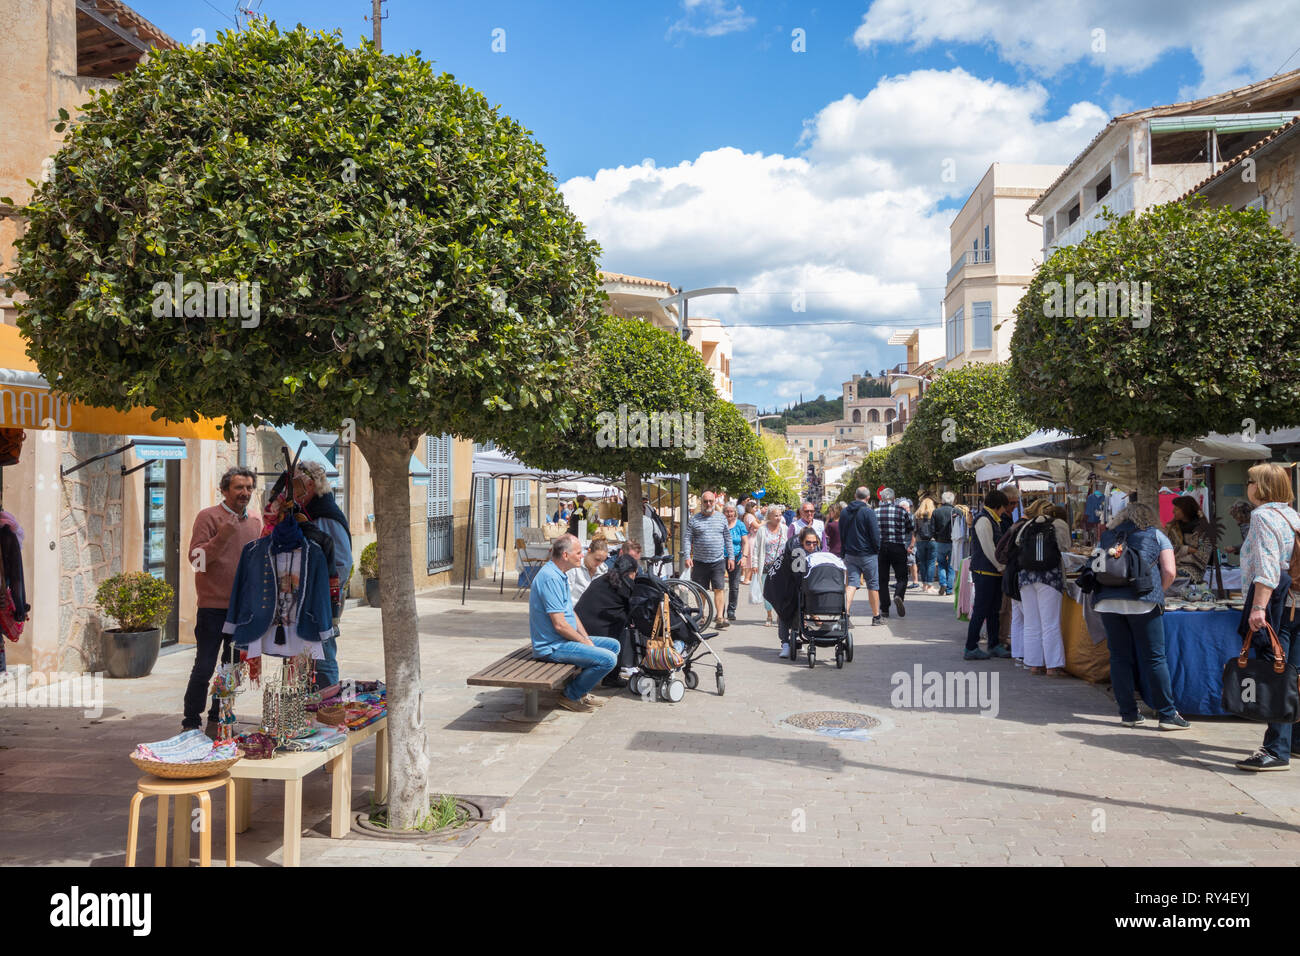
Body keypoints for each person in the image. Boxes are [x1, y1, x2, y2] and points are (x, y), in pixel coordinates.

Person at [1091, 500, 1187, 730]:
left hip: (1108, 602)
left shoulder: (1108, 536)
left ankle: (1128, 713)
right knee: (1154, 657)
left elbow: (1095, 566)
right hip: (1143, 602)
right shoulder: (1156, 535)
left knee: (1119, 657)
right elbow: (1170, 571)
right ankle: (1166, 714)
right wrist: (1158, 592)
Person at [182, 467, 263, 733]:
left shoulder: (255, 521)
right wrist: (222, 538)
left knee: (231, 669)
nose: (245, 493)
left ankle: (219, 719)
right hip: (212, 609)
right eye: (239, 488)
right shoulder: (208, 517)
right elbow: (196, 560)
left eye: (249, 488)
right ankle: (191, 722)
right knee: (204, 666)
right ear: (225, 490)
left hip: (242, 610)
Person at [1234, 464, 1300, 770]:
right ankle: (1292, 740)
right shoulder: (1292, 515)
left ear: (1259, 487)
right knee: (1293, 674)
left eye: (1249, 481)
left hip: (1276, 604)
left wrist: (1258, 608)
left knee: (1278, 673)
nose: (1246, 486)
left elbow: (1268, 568)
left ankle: (1275, 749)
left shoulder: (1262, 517)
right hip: (1295, 603)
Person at [529, 534, 619, 713]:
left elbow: (572, 613)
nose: (581, 555)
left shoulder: (560, 574)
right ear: (565, 555)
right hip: (552, 646)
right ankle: (570, 695)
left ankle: (580, 689)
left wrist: (585, 638)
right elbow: (560, 625)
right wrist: (584, 643)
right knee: (609, 659)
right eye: (578, 552)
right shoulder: (551, 578)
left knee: (613, 645)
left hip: (563, 641)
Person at [293, 461, 352, 689]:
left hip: (322, 602)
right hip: (307, 600)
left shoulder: (325, 516)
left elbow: (343, 563)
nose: (292, 490)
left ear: (309, 485)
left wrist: (324, 594)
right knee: (305, 659)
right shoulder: (307, 513)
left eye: (296, 485)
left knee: (323, 658)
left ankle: (327, 714)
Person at [1016, 502, 1070, 676]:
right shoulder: (1059, 524)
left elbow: (1018, 543)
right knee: (1050, 623)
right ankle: (1052, 666)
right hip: (1049, 576)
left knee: (1031, 622)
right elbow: (1066, 547)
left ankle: (1033, 664)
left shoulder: (1028, 524)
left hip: (1026, 576)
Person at [575, 554, 640, 688]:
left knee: (619, 619)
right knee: (623, 629)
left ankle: (608, 675)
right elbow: (634, 612)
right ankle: (611, 677)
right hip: (592, 634)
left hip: (578, 627)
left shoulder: (602, 579)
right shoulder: (626, 585)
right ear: (632, 572)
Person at [765, 525, 823, 658]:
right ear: (802, 542)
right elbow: (797, 576)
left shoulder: (816, 549)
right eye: (808, 543)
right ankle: (785, 644)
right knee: (785, 612)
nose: (812, 546)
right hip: (782, 584)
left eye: (814, 543)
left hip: (799, 584)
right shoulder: (795, 551)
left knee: (799, 610)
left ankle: (797, 638)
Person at [966, 489, 1010, 660]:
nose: (1004, 512)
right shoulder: (984, 520)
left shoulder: (992, 519)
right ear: (998, 506)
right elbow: (989, 548)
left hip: (992, 573)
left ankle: (994, 644)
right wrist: (1001, 567)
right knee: (981, 610)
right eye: (1003, 508)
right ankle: (970, 647)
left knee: (993, 611)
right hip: (985, 572)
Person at [684, 490, 734, 629]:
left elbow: (727, 539)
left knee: (719, 589)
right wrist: (687, 556)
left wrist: (731, 557)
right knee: (701, 590)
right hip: (699, 561)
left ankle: (719, 617)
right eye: (705, 501)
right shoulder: (694, 519)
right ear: (702, 502)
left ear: (715, 502)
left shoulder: (721, 518)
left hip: (717, 560)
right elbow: (688, 538)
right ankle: (701, 616)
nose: (708, 504)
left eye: (711, 501)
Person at [840, 487, 882, 625]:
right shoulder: (868, 512)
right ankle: (876, 617)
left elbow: (842, 533)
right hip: (868, 554)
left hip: (850, 553)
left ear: (854, 495)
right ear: (868, 497)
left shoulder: (844, 512)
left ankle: (845, 614)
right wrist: (877, 549)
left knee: (851, 584)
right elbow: (875, 534)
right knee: (873, 585)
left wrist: (844, 550)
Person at [876, 488, 913, 619]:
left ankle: (885, 608)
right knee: (902, 576)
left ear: (881, 498)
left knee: (882, 579)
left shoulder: (876, 512)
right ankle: (898, 595)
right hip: (898, 547)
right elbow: (910, 527)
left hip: (881, 548)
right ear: (893, 498)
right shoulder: (901, 511)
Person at [751, 505, 788, 626]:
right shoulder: (762, 530)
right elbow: (756, 547)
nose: (778, 518)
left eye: (779, 515)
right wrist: (755, 564)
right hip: (766, 565)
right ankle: (769, 615)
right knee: (767, 592)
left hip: (781, 567)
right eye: (775, 515)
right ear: (769, 517)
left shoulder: (784, 528)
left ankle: (779, 614)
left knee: (781, 592)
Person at [1164, 495, 1211, 583]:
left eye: (1177, 509)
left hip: (1193, 569)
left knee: (1177, 575)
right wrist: (1187, 549)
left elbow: (1203, 556)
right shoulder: (1172, 528)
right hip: (1172, 565)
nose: (1173, 511)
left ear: (1186, 510)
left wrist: (1179, 556)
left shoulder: (1203, 530)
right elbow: (1167, 549)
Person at [722, 502, 747, 622]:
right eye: (727, 511)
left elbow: (745, 542)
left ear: (735, 512)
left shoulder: (740, 525)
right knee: (719, 586)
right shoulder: (720, 524)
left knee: (734, 586)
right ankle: (719, 611)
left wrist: (744, 557)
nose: (729, 514)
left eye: (731, 511)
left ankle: (731, 610)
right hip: (720, 557)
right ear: (723, 512)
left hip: (736, 558)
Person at [566, 537, 609, 602]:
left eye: (602, 561)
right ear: (589, 551)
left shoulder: (603, 570)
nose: (599, 564)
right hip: (574, 608)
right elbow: (567, 593)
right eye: (597, 559)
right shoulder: (574, 567)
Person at [933, 492, 956, 596]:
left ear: (942, 500)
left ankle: (943, 583)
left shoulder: (936, 512)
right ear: (952, 500)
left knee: (941, 563)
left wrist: (936, 537)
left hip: (940, 542)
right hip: (953, 541)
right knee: (951, 565)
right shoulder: (955, 511)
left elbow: (932, 528)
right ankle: (949, 589)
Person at [914, 496, 937, 594]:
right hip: (932, 540)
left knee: (922, 563)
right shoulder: (934, 514)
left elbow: (914, 530)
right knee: (931, 563)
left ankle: (924, 585)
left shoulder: (917, 515)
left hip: (920, 541)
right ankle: (930, 585)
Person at [741, 500, 762, 584]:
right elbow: (756, 526)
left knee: (750, 558)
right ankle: (747, 578)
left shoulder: (747, 515)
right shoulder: (749, 516)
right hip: (751, 539)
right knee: (751, 558)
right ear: (751, 508)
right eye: (755, 507)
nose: (756, 509)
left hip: (750, 537)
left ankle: (747, 578)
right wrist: (765, 523)